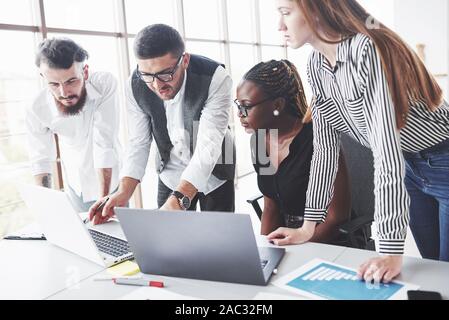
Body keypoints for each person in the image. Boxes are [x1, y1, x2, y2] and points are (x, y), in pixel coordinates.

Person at [271, 0, 449, 283]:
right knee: (435, 274)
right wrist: (308, 226)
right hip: (409, 166)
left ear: (315, 10)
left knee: (445, 272)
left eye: (285, 13)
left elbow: (385, 152)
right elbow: (324, 152)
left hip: (443, 159)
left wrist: (390, 250)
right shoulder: (317, 66)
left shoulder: (367, 51)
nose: (279, 26)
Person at [89, 24, 235, 224]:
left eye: (165, 74)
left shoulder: (215, 78)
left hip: (216, 168)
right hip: (170, 171)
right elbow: (138, 142)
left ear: (184, 60)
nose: (157, 85)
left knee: (221, 239)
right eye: (147, 75)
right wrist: (124, 190)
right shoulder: (134, 85)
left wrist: (178, 200)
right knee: (170, 242)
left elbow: (207, 148)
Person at [236, 59, 351, 242]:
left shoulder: (319, 139)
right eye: (238, 106)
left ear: (278, 105)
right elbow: (271, 206)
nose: (240, 115)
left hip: (327, 240)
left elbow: (336, 217)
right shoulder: (258, 141)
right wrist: (264, 250)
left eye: (246, 106)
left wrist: (296, 245)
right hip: (288, 240)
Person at [26, 38, 121, 212]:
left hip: (113, 183)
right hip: (76, 186)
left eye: (71, 81)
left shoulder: (104, 84)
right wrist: (44, 209)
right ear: (43, 78)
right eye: (54, 84)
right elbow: (41, 161)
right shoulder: (36, 108)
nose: (64, 93)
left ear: (85, 72)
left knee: (118, 236)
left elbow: (104, 144)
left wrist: (103, 201)